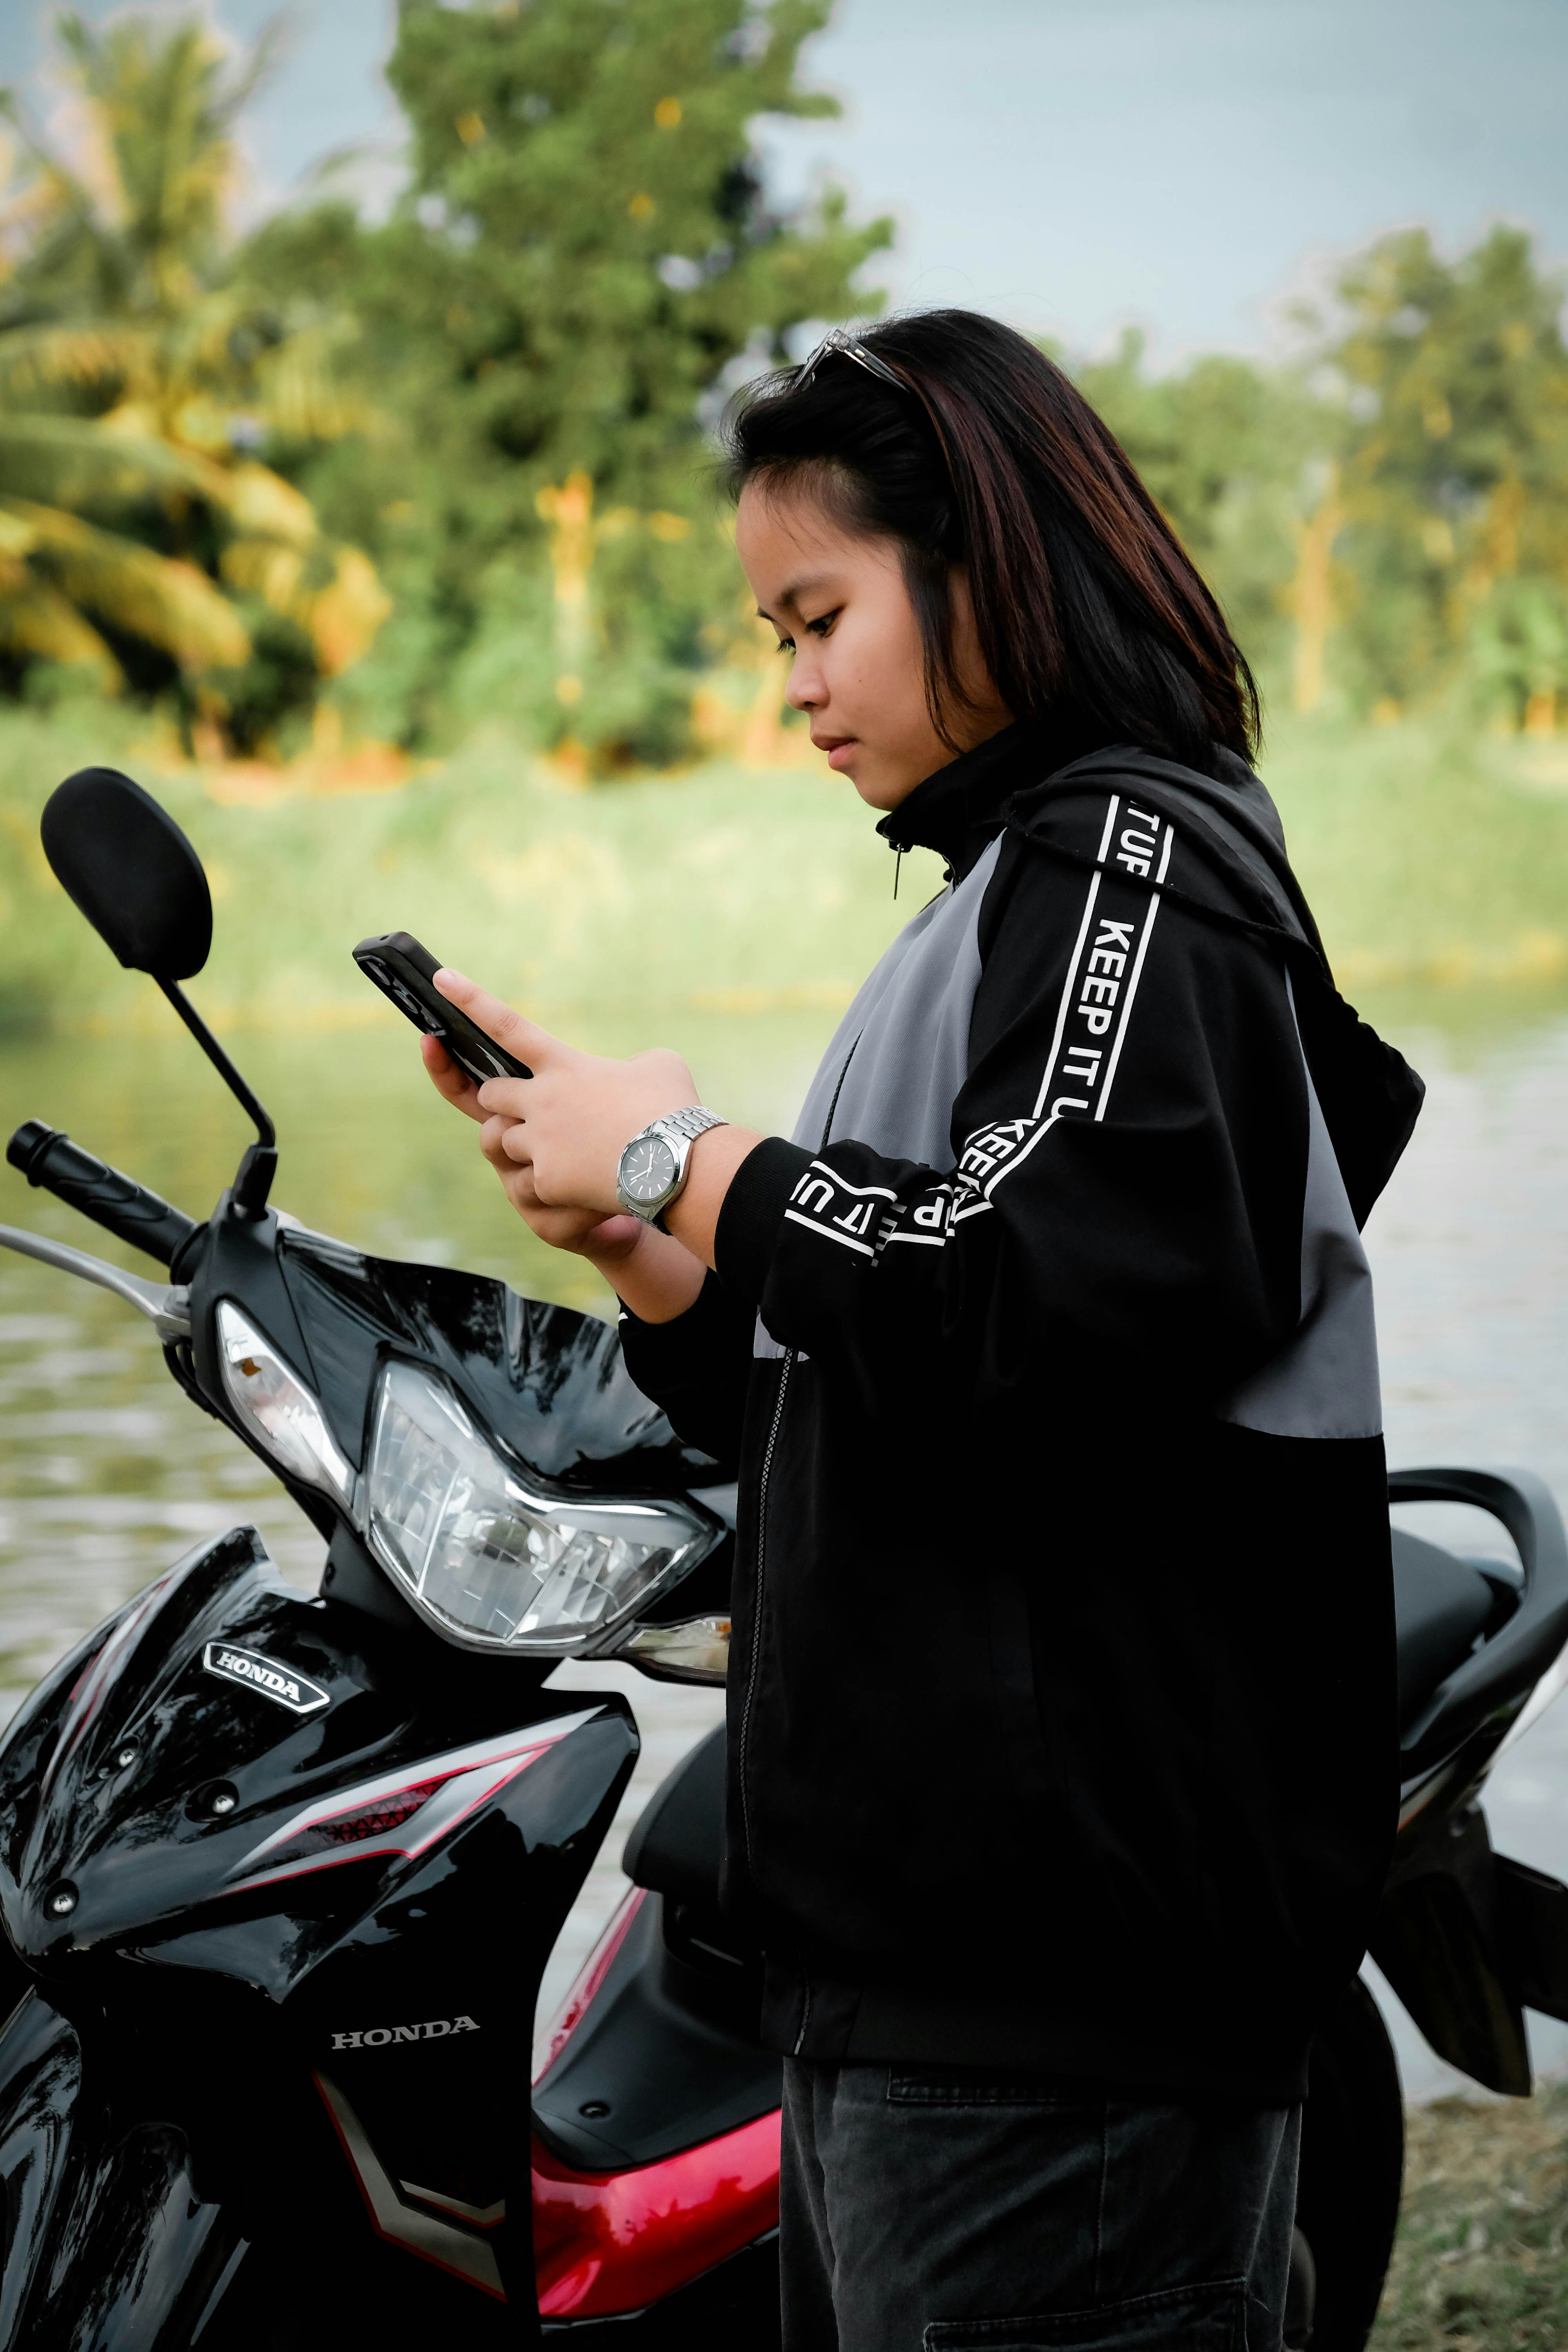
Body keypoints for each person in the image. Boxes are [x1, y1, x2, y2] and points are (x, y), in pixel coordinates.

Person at [421, 310, 1423, 2352]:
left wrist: (685, 1151)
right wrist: (650, 1241)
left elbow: (1014, 1296)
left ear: (982, 552)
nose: (791, 686)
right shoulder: (994, 906)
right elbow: (889, 1394)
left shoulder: (1132, 866)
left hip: (1066, 2009)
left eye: (819, 614)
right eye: (772, 634)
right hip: (914, 1981)